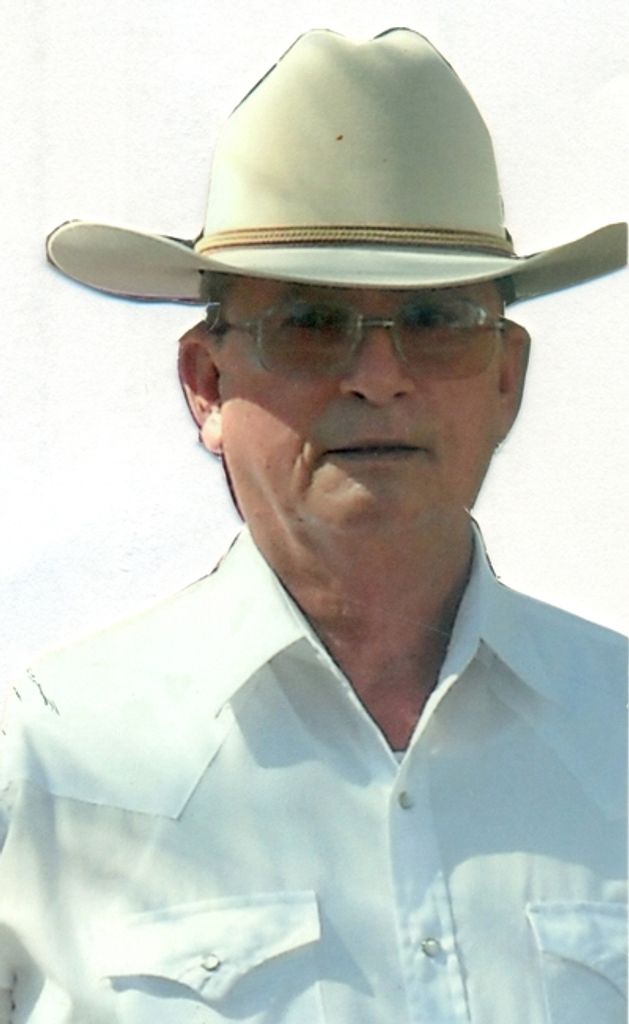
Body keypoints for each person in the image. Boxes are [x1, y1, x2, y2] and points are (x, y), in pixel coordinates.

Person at [0, 27, 626, 1024]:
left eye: (435, 324)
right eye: (309, 323)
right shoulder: (53, 755)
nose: (377, 377)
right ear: (205, 383)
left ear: (506, 379)